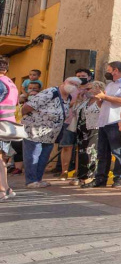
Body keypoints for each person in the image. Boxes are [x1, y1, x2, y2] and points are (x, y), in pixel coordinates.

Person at [22, 77, 79, 189]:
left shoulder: (68, 97)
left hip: (51, 133)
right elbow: (27, 106)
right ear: (64, 82)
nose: (72, 85)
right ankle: (31, 181)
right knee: (33, 155)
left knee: (44, 156)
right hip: (35, 130)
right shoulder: (50, 92)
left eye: (76, 85)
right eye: (71, 82)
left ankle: (38, 179)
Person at [91, 62, 121, 188]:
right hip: (104, 120)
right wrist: (100, 99)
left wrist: (105, 96)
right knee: (102, 152)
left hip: (116, 120)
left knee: (118, 151)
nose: (107, 72)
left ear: (116, 70)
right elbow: (104, 102)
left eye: (109, 70)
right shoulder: (110, 85)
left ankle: (118, 178)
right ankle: (100, 178)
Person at [70, 81, 103, 186]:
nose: (86, 91)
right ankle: (81, 176)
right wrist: (79, 98)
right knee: (82, 153)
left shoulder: (100, 101)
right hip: (82, 129)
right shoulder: (85, 101)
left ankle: (91, 176)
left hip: (94, 128)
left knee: (91, 152)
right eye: (86, 89)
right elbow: (74, 110)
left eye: (89, 89)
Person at [0, 56, 18, 201]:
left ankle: (1, 191)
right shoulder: (10, 83)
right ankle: (6, 188)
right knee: (2, 158)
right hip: (8, 123)